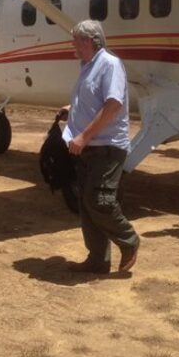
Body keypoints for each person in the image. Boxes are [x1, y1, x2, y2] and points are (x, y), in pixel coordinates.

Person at [60, 20, 139, 274]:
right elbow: (93, 101)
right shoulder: (87, 66)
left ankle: (129, 240)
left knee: (100, 201)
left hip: (106, 146)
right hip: (87, 147)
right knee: (86, 202)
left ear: (89, 41)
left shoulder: (109, 64)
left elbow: (113, 104)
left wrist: (83, 136)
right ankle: (97, 259)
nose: (73, 45)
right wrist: (71, 111)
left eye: (76, 40)